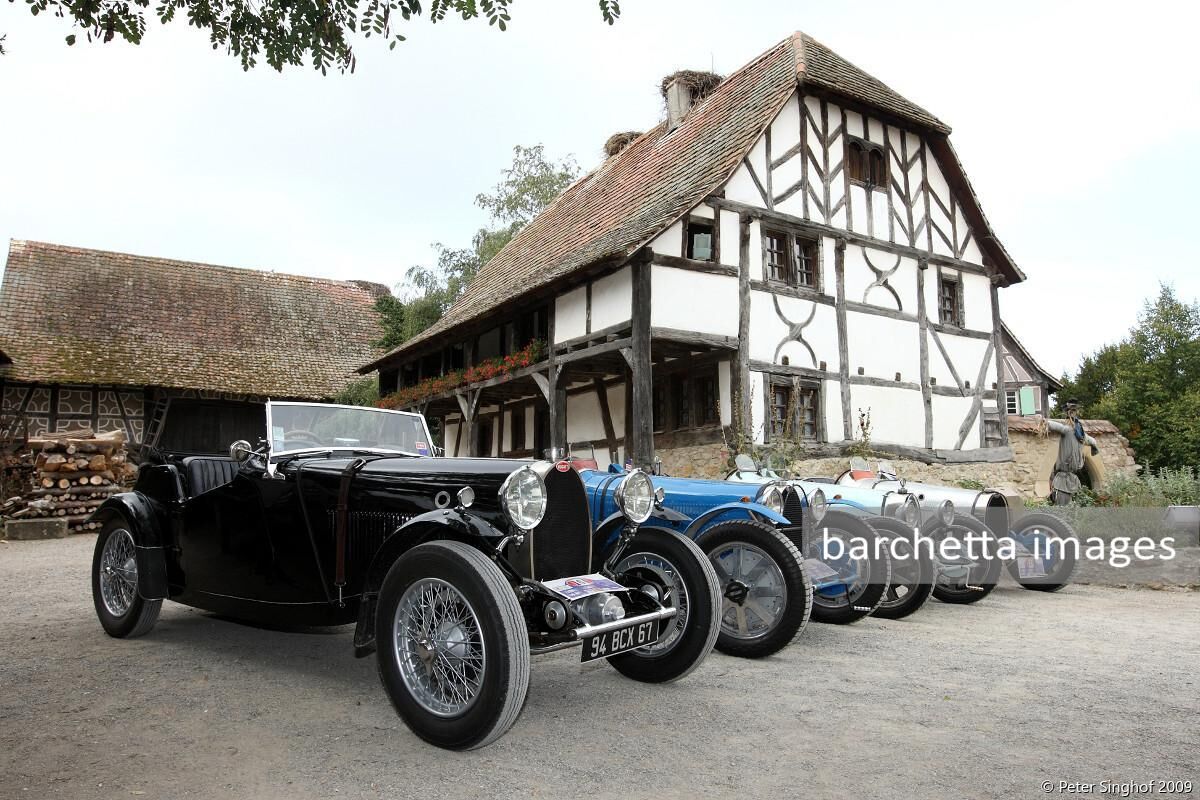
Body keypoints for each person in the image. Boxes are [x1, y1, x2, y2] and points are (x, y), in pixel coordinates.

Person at [1042, 400, 1099, 506]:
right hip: (1064, 480)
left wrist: (1045, 422)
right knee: (1065, 509)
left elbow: (1053, 425)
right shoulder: (1078, 434)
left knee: (1065, 510)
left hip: (1068, 481)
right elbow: (1093, 442)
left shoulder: (1077, 434)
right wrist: (1095, 448)